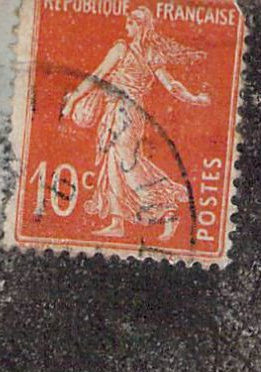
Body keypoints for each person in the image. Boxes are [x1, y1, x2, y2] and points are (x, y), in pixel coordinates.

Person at [60, 7, 211, 240]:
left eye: (130, 23)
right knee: (113, 165)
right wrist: (194, 98)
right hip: (124, 112)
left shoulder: (123, 49)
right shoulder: (150, 53)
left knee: (127, 164)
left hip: (125, 112)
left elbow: (97, 75)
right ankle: (117, 221)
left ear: (140, 25)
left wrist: (71, 104)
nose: (126, 27)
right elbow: (171, 85)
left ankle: (167, 208)